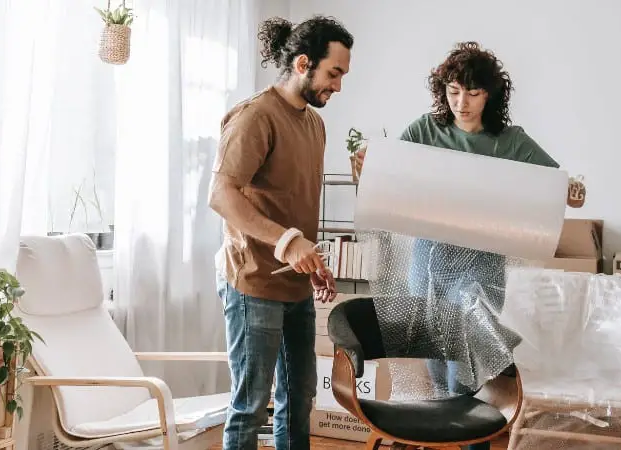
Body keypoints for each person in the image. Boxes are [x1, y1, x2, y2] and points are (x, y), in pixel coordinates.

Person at [354, 41, 584, 450]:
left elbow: (554, 184)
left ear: (490, 95)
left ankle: (472, 438)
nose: (461, 102)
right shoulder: (427, 130)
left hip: (481, 266)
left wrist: (573, 189)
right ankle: (440, 436)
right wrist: (368, 167)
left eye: (472, 93)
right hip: (428, 262)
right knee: (436, 358)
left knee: (471, 357)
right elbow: (388, 179)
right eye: (453, 91)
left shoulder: (509, 141)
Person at [207, 14, 352, 450]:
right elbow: (222, 195)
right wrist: (288, 242)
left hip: (295, 288)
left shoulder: (314, 124)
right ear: (304, 63)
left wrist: (311, 262)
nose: (338, 85)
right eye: (334, 72)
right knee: (251, 405)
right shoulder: (255, 117)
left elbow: (293, 203)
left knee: (299, 399)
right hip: (252, 283)